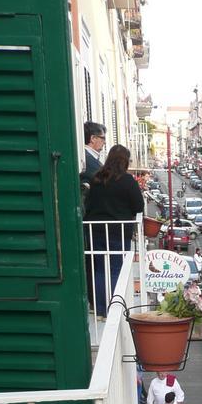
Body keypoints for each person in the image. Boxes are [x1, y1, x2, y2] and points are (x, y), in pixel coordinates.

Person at [83, 144, 145, 310]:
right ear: (124, 161)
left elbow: (88, 204)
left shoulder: (96, 179)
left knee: (99, 270)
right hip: (118, 231)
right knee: (117, 269)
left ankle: (101, 308)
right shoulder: (126, 180)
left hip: (95, 230)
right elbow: (139, 206)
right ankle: (115, 308)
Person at [81, 121, 106, 185]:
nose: (105, 142)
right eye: (103, 138)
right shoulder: (87, 159)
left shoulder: (86, 156)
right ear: (93, 138)